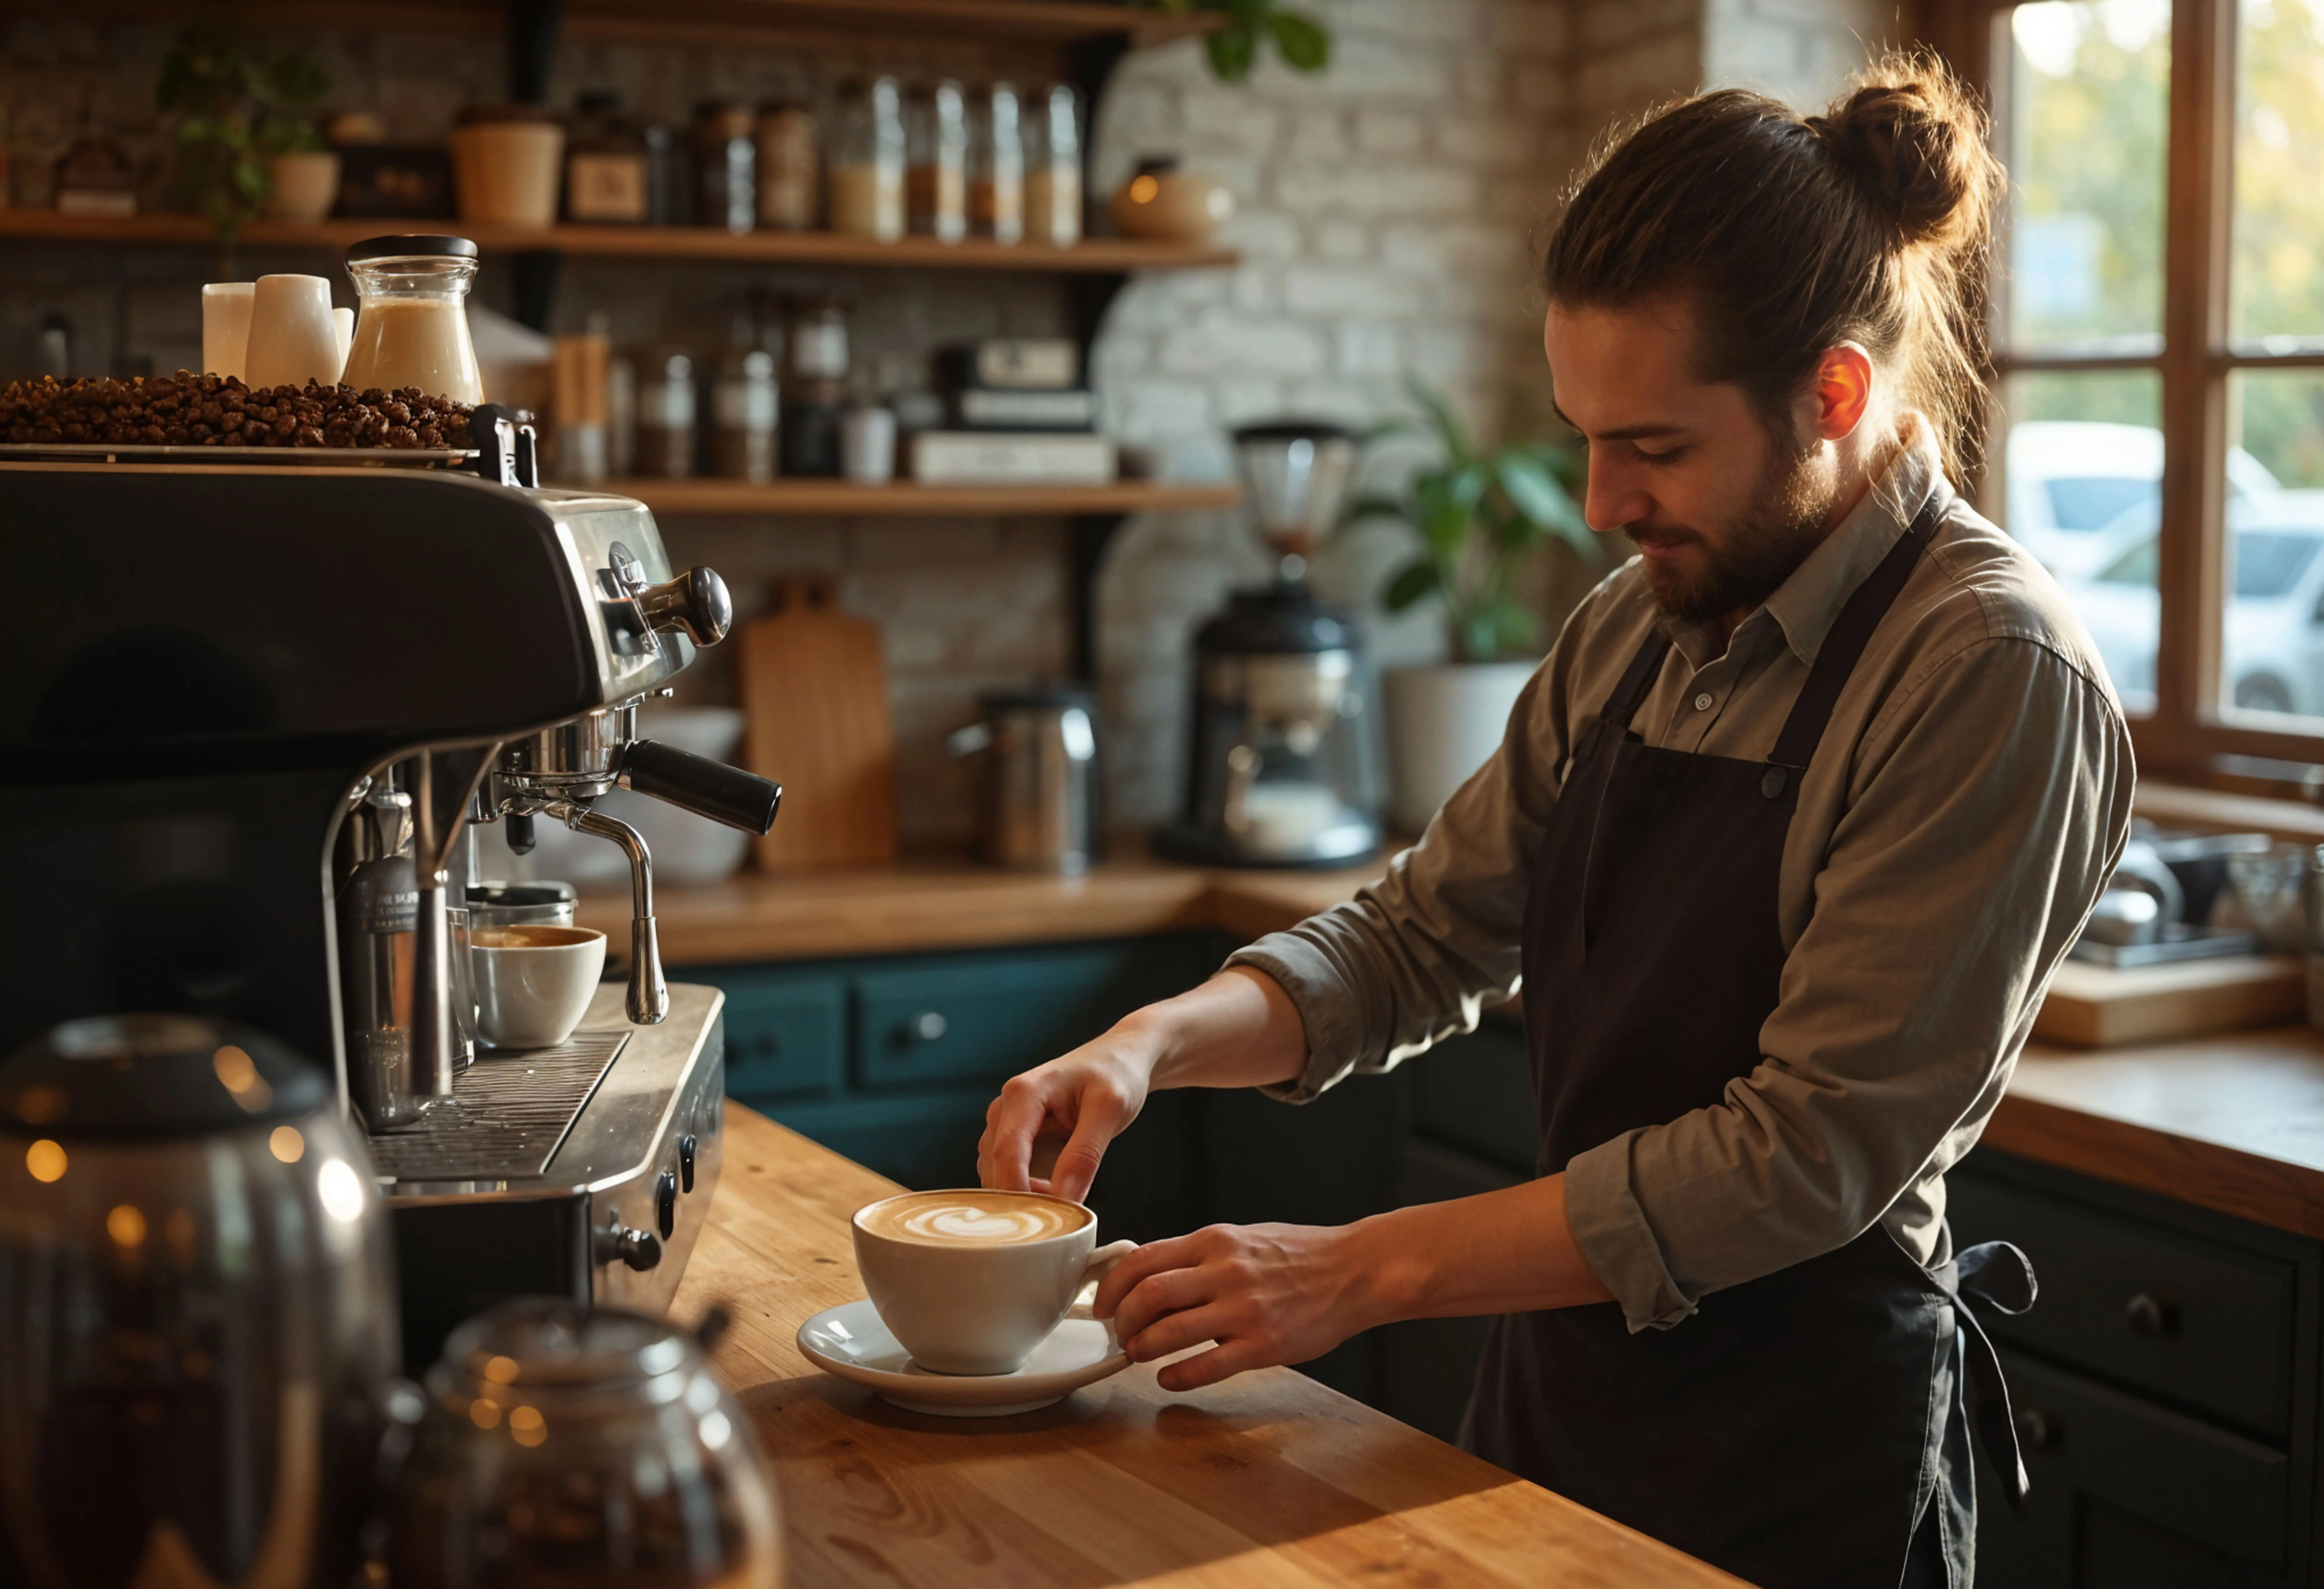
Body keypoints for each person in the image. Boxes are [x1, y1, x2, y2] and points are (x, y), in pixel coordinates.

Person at [978, 51, 2131, 1589]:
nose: (1599, 499)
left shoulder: (1987, 669)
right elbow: (1415, 934)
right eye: (1584, 432)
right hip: (1564, 1410)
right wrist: (1150, 1044)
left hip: (1805, 1468)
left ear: (1834, 394)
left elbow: (1802, 1153)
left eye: (1653, 447)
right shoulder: (1640, 626)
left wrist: (1353, 1270)